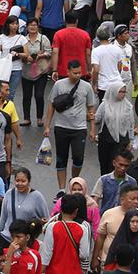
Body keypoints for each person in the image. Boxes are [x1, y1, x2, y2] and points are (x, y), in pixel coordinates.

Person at [43, 61, 98, 190]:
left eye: (80, 73)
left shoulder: (86, 87)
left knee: (78, 158)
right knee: (61, 159)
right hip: (61, 127)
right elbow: (51, 105)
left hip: (79, 129)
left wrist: (92, 130)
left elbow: (91, 109)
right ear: (68, 72)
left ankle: (73, 182)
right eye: (75, 73)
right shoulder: (58, 85)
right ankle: (61, 189)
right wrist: (47, 126)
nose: (78, 75)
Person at [40, 194, 93, 274]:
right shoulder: (83, 228)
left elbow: (47, 254)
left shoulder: (53, 227)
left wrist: (40, 272)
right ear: (76, 211)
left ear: (61, 209)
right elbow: (84, 254)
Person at [0, 168, 50, 246]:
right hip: (6, 238)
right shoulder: (9, 193)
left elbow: (46, 219)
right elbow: (3, 216)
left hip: (25, 242)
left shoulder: (37, 196)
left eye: (23, 181)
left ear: (29, 181)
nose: (20, 184)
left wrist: (40, 222)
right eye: (17, 180)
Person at [92, 149, 137, 215]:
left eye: (126, 166)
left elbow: (134, 202)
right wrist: (96, 217)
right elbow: (95, 199)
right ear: (114, 163)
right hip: (105, 218)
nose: (123, 168)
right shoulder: (104, 180)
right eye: (120, 165)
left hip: (124, 219)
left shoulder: (132, 182)